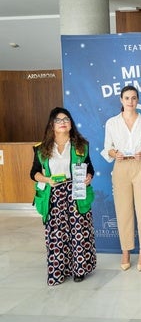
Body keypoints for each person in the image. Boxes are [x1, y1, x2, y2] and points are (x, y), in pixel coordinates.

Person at [30, 107, 96, 285]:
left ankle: (79, 269)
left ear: (71, 124)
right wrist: (46, 179)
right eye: (59, 120)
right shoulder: (41, 148)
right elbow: (34, 173)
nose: (63, 123)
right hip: (54, 195)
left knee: (79, 232)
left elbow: (89, 169)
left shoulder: (81, 145)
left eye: (66, 119)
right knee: (57, 235)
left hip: (76, 193)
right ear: (52, 124)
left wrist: (89, 177)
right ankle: (58, 270)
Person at [101, 85, 141, 271]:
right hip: (121, 167)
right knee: (123, 210)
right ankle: (126, 250)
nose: (130, 101)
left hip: (140, 165)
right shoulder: (112, 123)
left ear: (137, 100)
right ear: (121, 100)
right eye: (127, 98)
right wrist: (115, 153)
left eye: (133, 98)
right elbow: (107, 147)